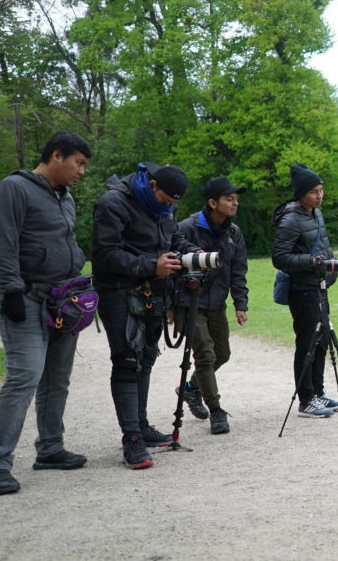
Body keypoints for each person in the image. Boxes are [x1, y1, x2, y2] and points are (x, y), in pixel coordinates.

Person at [0, 132, 93, 496]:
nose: (81, 172)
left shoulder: (65, 197)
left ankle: (51, 448)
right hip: (23, 298)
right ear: (57, 155)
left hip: (62, 301)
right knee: (24, 376)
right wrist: (10, 290)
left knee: (57, 379)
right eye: (78, 163)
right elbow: (1, 242)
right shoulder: (13, 189)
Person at [92, 161, 201, 469]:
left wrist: (194, 254)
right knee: (127, 360)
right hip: (118, 290)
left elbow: (172, 240)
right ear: (153, 186)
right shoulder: (112, 203)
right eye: (167, 200)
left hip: (155, 290)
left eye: (175, 203)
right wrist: (151, 265)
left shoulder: (166, 207)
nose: (170, 207)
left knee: (148, 356)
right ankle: (132, 440)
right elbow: (104, 254)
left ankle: (140, 425)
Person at [174, 177, 249, 435]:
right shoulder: (186, 228)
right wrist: (172, 306)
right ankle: (216, 411)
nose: (235, 203)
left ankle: (192, 389)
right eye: (229, 199)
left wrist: (241, 303)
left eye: (236, 199)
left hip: (217, 302)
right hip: (189, 302)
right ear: (212, 202)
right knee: (204, 355)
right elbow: (172, 267)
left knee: (222, 354)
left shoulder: (234, 232)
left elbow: (238, 270)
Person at [271, 163, 338, 419]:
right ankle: (305, 400)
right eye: (314, 191)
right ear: (301, 193)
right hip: (302, 290)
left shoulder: (315, 213)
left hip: (319, 288)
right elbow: (280, 258)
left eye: (321, 190)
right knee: (307, 343)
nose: (319, 195)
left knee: (322, 340)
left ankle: (318, 392)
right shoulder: (291, 219)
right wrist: (311, 263)